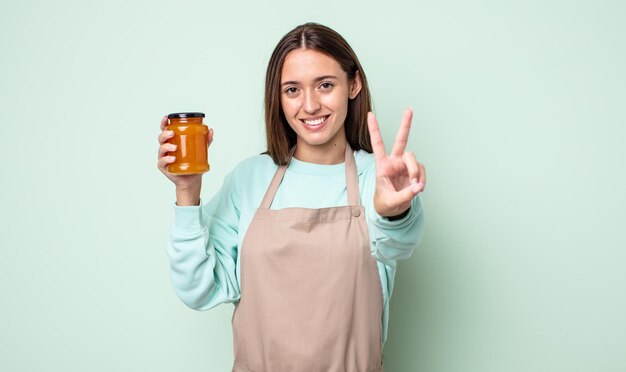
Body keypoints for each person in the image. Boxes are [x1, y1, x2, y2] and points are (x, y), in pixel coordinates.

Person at [157, 22, 426, 372]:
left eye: (325, 85)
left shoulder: (379, 178)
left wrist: (396, 210)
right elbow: (199, 288)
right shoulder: (250, 179)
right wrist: (187, 192)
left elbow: (398, 241)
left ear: (353, 85)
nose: (310, 105)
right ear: (278, 97)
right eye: (292, 90)